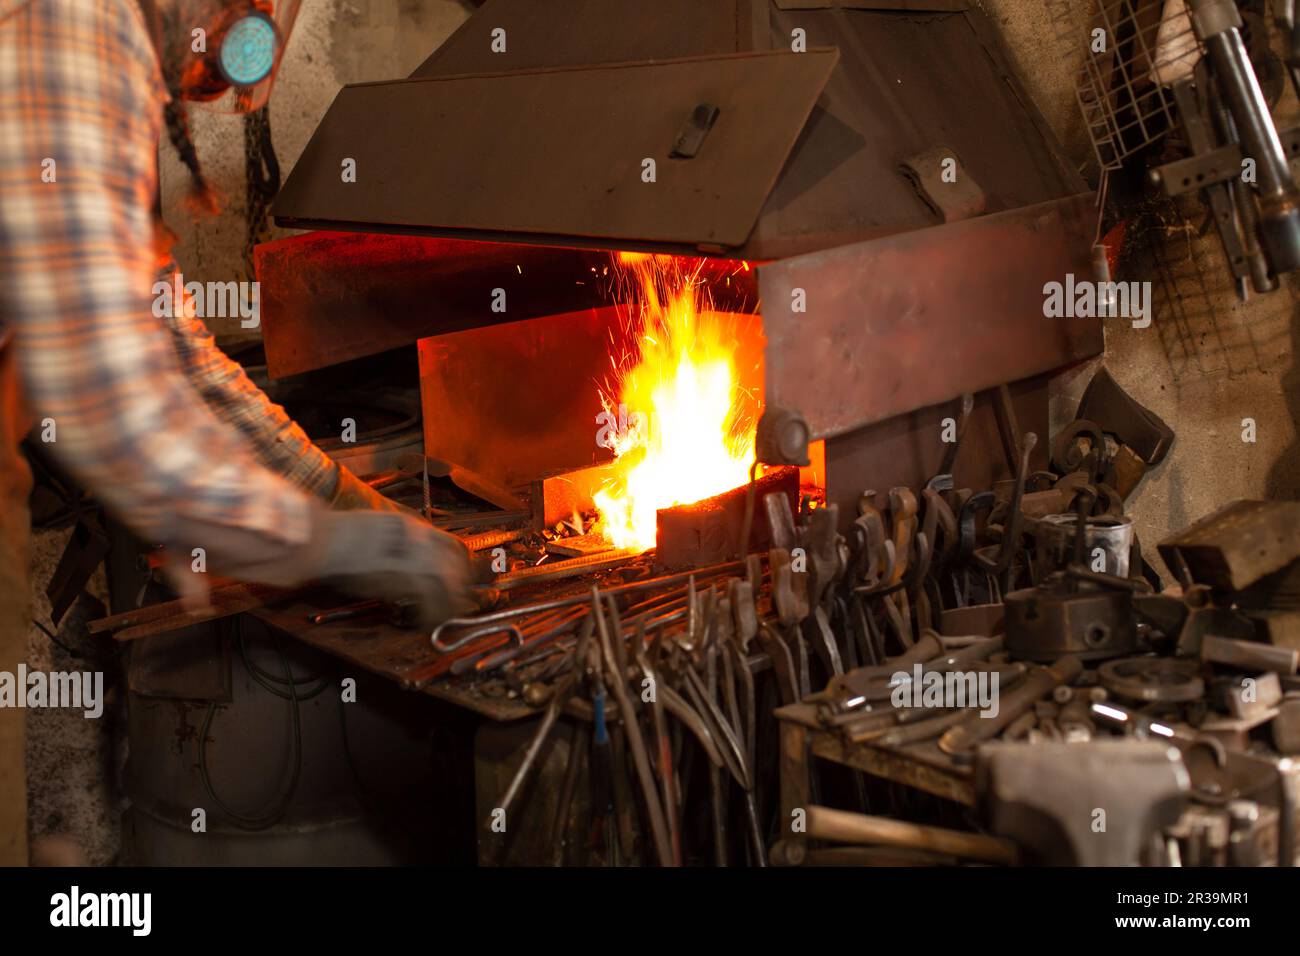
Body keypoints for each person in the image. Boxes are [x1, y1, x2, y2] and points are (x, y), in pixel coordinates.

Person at [0, 0, 474, 865]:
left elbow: (175, 353)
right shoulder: (71, 41)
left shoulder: (99, 56)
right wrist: (331, 545)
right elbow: (126, 426)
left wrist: (338, 493)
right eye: (242, 42)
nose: (219, 89)